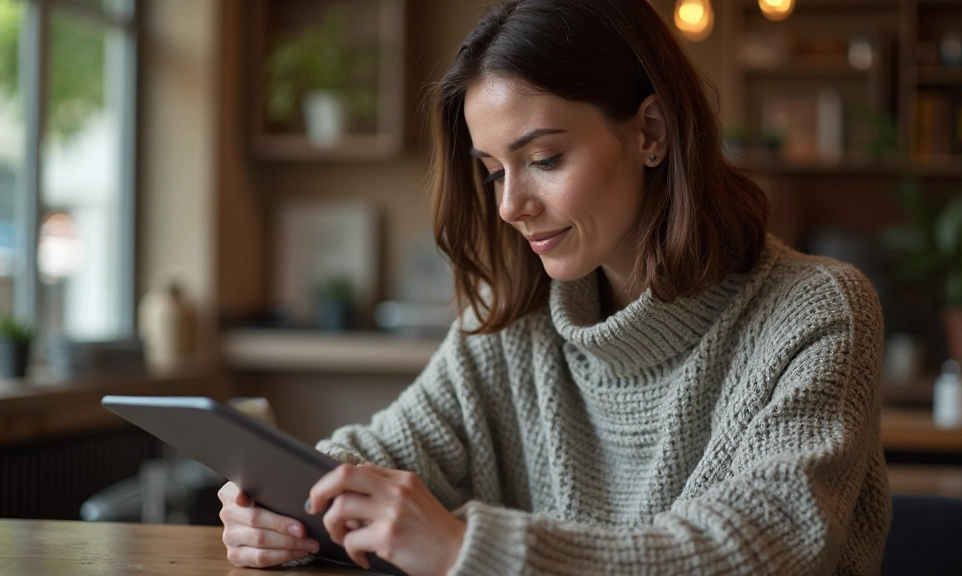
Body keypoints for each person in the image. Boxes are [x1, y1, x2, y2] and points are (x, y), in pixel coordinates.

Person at [219, 0, 891, 573]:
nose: (511, 205)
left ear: (650, 133)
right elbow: (385, 451)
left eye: (543, 159)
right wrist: (286, 504)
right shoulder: (514, 322)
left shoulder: (817, 311)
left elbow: (758, 552)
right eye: (492, 171)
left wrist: (467, 550)